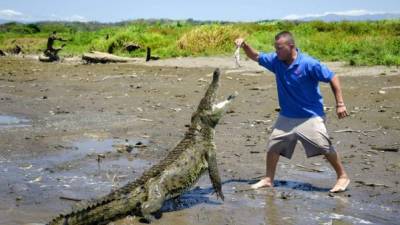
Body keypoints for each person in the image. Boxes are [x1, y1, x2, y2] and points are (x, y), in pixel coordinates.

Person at [234, 31, 350, 193]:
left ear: (291, 47)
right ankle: (268, 179)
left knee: (324, 146)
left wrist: (340, 103)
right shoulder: (276, 61)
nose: (276, 51)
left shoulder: (309, 64)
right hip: (287, 116)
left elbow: (332, 77)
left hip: (310, 116)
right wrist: (245, 45)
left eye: (280, 48)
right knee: (273, 146)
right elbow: (256, 56)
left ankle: (343, 176)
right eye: (275, 48)